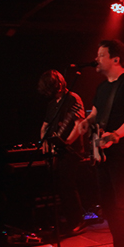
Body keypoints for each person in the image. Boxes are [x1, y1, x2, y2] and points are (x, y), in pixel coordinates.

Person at [78, 39, 124, 247]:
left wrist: (115, 135)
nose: (96, 59)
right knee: (108, 204)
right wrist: (86, 122)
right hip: (103, 154)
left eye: (101, 55)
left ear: (115, 59)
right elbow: (96, 114)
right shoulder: (102, 88)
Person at [38, 69, 87, 236]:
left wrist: (67, 143)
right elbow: (45, 126)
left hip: (70, 150)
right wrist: (44, 142)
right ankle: (68, 220)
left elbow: (79, 124)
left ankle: (78, 221)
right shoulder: (52, 105)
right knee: (60, 187)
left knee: (68, 185)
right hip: (56, 151)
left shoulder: (73, 98)